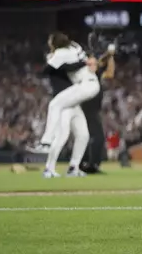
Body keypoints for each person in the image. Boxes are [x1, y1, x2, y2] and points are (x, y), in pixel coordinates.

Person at [40, 33, 99, 178]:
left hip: (73, 99)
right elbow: (60, 67)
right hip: (65, 102)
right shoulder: (57, 58)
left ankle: (73, 167)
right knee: (62, 135)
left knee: (83, 135)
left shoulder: (69, 52)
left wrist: (85, 60)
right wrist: (84, 61)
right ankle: (49, 167)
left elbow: (73, 62)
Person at [80, 47, 115, 174]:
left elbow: (110, 73)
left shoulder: (95, 73)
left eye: (94, 63)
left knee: (89, 138)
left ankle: (86, 164)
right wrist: (107, 56)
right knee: (97, 137)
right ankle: (90, 165)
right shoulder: (82, 74)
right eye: (90, 63)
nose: (94, 65)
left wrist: (110, 57)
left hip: (93, 110)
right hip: (85, 109)